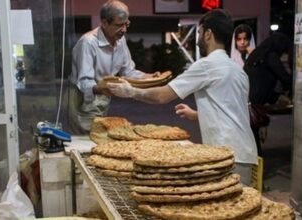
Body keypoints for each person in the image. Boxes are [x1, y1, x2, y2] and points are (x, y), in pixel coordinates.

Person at [108, 9, 258, 185]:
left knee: (222, 208)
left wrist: (130, 91)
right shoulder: (237, 70)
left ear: (208, 34)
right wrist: (197, 114)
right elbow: (232, 109)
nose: (199, 38)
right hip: (246, 154)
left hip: (226, 154)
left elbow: (162, 96)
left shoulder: (207, 65)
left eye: (200, 33)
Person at [70, 0, 159, 134]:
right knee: (87, 142)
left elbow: (127, 71)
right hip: (84, 101)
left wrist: (149, 77)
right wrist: (101, 88)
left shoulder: (119, 39)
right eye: (119, 25)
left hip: (103, 97)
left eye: (126, 24)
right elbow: (84, 81)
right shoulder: (88, 43)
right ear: (104, 23)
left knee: (99, 138)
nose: (124, 30)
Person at [243, 32, 293, 155]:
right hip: (255, 104)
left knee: (250, 137)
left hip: (245, 100)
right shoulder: (271, 56)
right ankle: (256, 168)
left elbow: (259, 81)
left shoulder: (255, 54)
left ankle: (254, 166)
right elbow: (285, 78)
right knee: (254, 139)